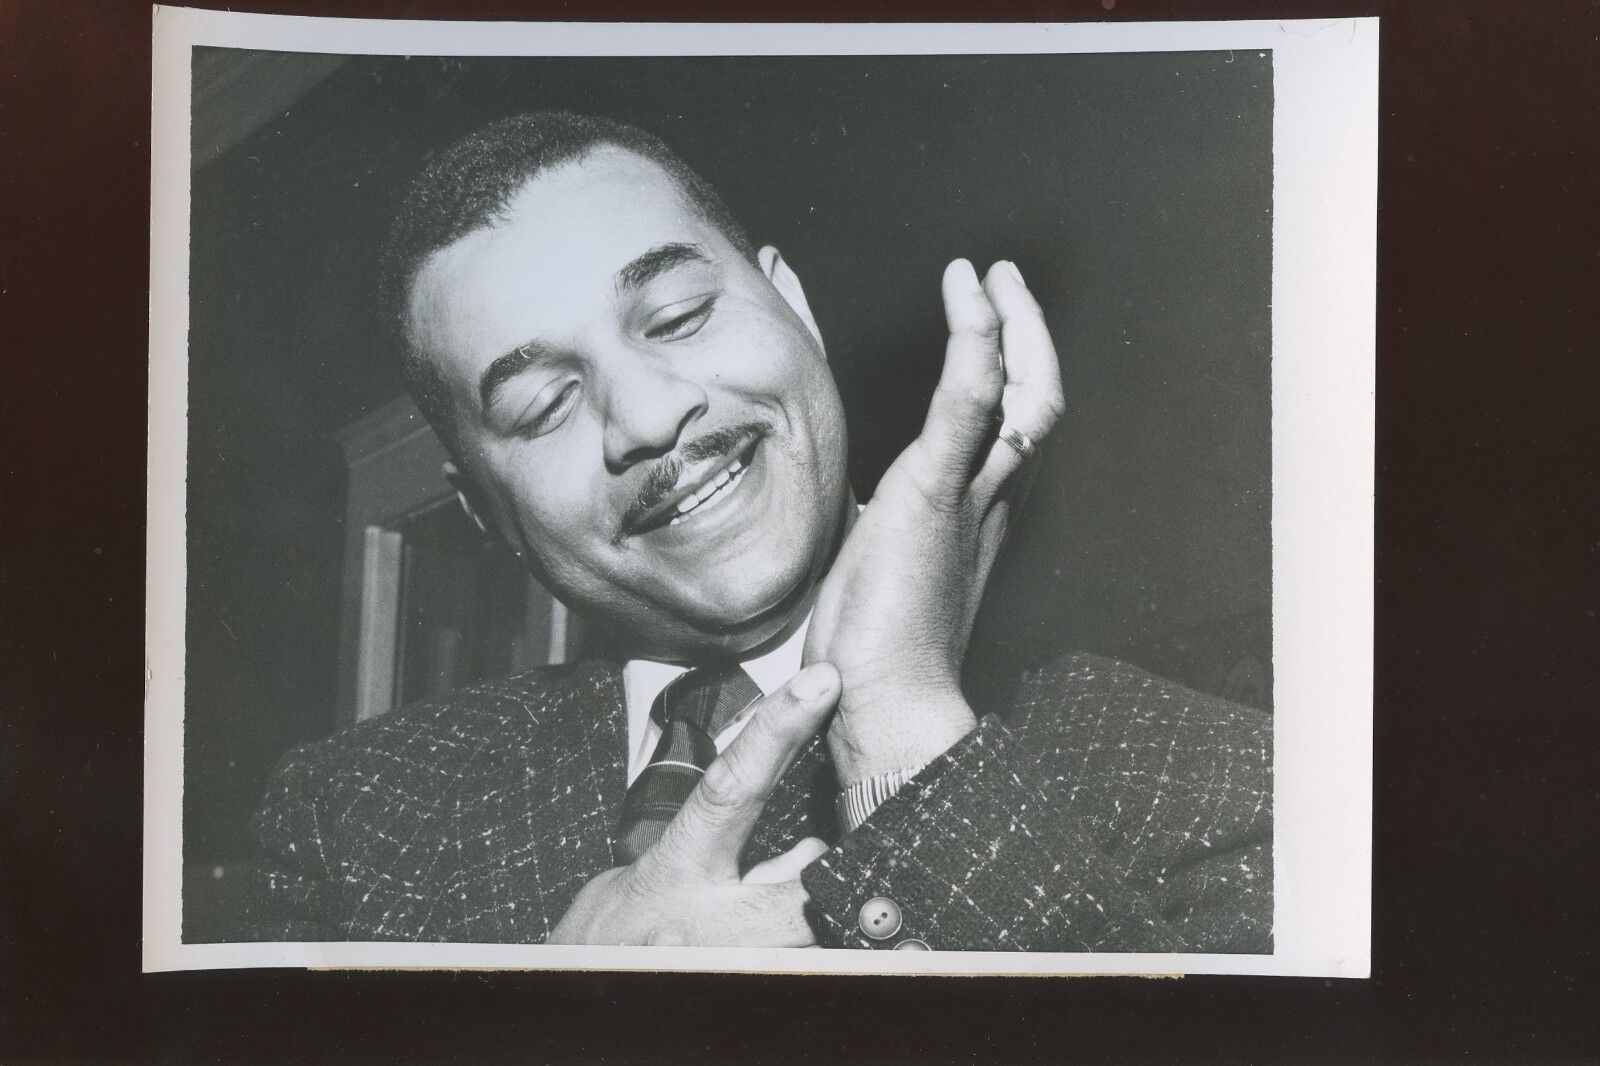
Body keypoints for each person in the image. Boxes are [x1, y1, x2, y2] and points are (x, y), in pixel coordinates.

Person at [248, 111, 1271, 953]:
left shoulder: (1205, 770)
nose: (647, 417)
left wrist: (902, 725)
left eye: (680, 314)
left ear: (794, 308)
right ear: (481, 510)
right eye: (540, 406)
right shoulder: (352, 820)